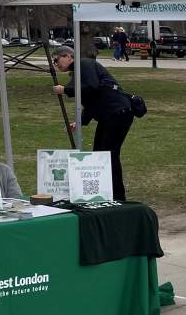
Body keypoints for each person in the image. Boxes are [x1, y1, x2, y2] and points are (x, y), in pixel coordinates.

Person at [52, 46, 135, 200]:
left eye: (56, 60)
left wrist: (66, 90)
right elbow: (92, 100)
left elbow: (92, 86)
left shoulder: (84, 64)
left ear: (68, 56)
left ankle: (117, 195)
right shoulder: (77, 72)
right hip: (109, 115)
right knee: (100, 153)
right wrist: (80, 121)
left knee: (109, 155)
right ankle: (105, 190)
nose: (56, 64)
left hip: (118, 112)